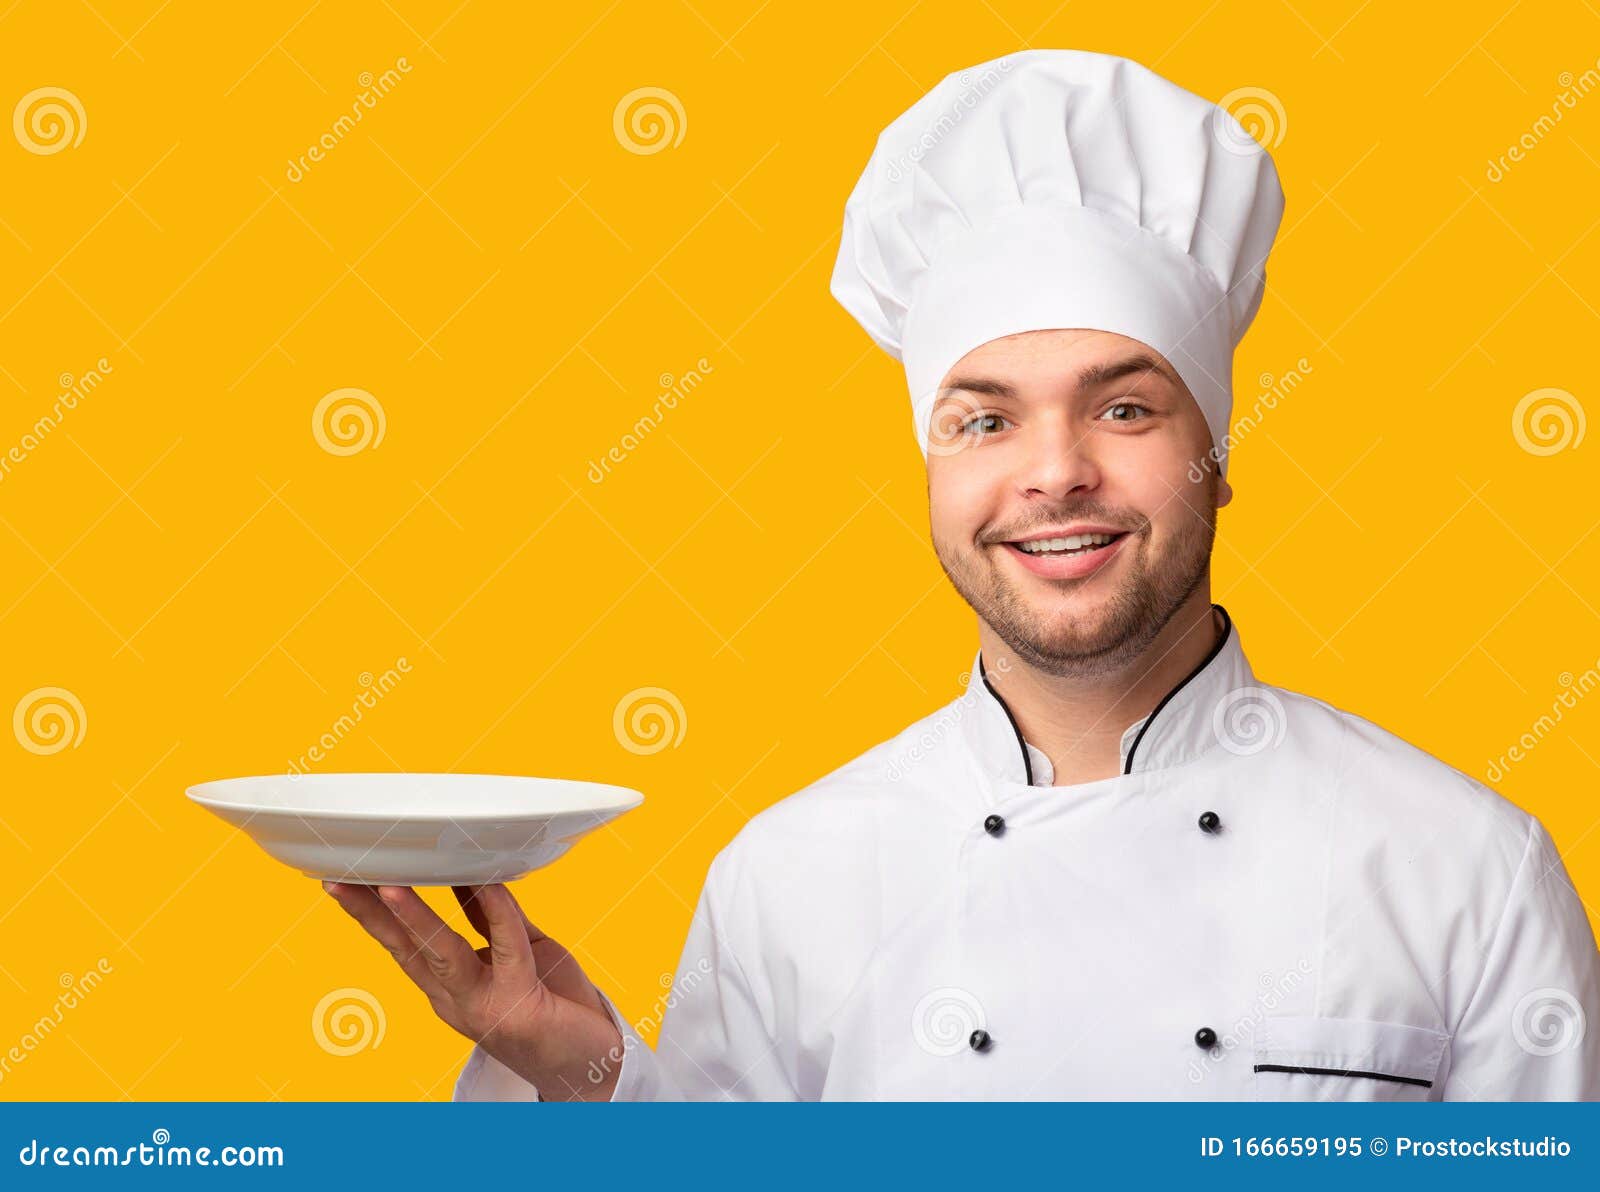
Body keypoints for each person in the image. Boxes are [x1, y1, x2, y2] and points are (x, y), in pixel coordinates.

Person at [326, 49, 1600, 1101]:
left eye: (1125, 409)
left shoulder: (1465, 869)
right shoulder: (792, 875)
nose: (1053, 475)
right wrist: (578, 1066)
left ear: (1214, 458)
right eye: (982, 420)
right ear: (931, 469)